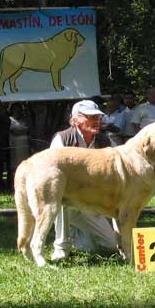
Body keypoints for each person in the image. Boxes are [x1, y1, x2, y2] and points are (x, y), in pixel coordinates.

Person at [51, 100, 118, 261]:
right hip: (67, 199)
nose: (97, 120)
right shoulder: (62, 139)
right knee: (61, 201)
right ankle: (61, 249)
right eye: (91, 117)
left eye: (98, 117)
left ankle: (76, 234)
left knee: (109, 246)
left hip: (90, 203)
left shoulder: (105, 141)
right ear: (76, 120)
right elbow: (54, 175)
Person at [8, 103, 30, 189]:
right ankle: (13, 186)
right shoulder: (10, 120)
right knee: (14, 167)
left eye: (19, 109)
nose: (17, 111)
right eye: (15, 109)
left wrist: (22, 130)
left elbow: (27, 129)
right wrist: (22, 130)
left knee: (24, 166)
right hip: (13, 146)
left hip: (24, 147)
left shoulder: (25, 120)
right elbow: (14, 130)